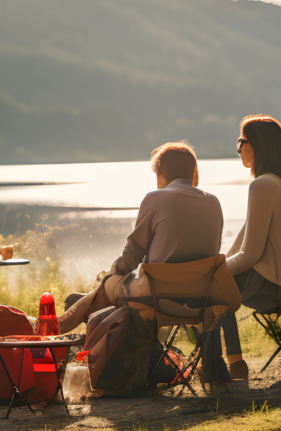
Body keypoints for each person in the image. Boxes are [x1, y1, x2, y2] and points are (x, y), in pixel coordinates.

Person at [57, 142, 224, 332]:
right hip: (201, 297)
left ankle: (56, 331)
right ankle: (63, 329)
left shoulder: (155, 198)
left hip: (158, 296)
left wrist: (114, 272)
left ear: (161, 173)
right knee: (111, 287)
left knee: (109, 283)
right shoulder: (213, 202)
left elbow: (133, 255)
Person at [211, 115, 281, 382]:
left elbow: (249, 256)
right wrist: (216, 265)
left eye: (241, 141)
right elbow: (240, 247)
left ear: (256, 145)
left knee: (211, 288)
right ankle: (230, 364)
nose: (239, 148)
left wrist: (211, 271)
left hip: (275, 290)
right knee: (214, 280)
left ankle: (220, 367)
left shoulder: (263, 185)